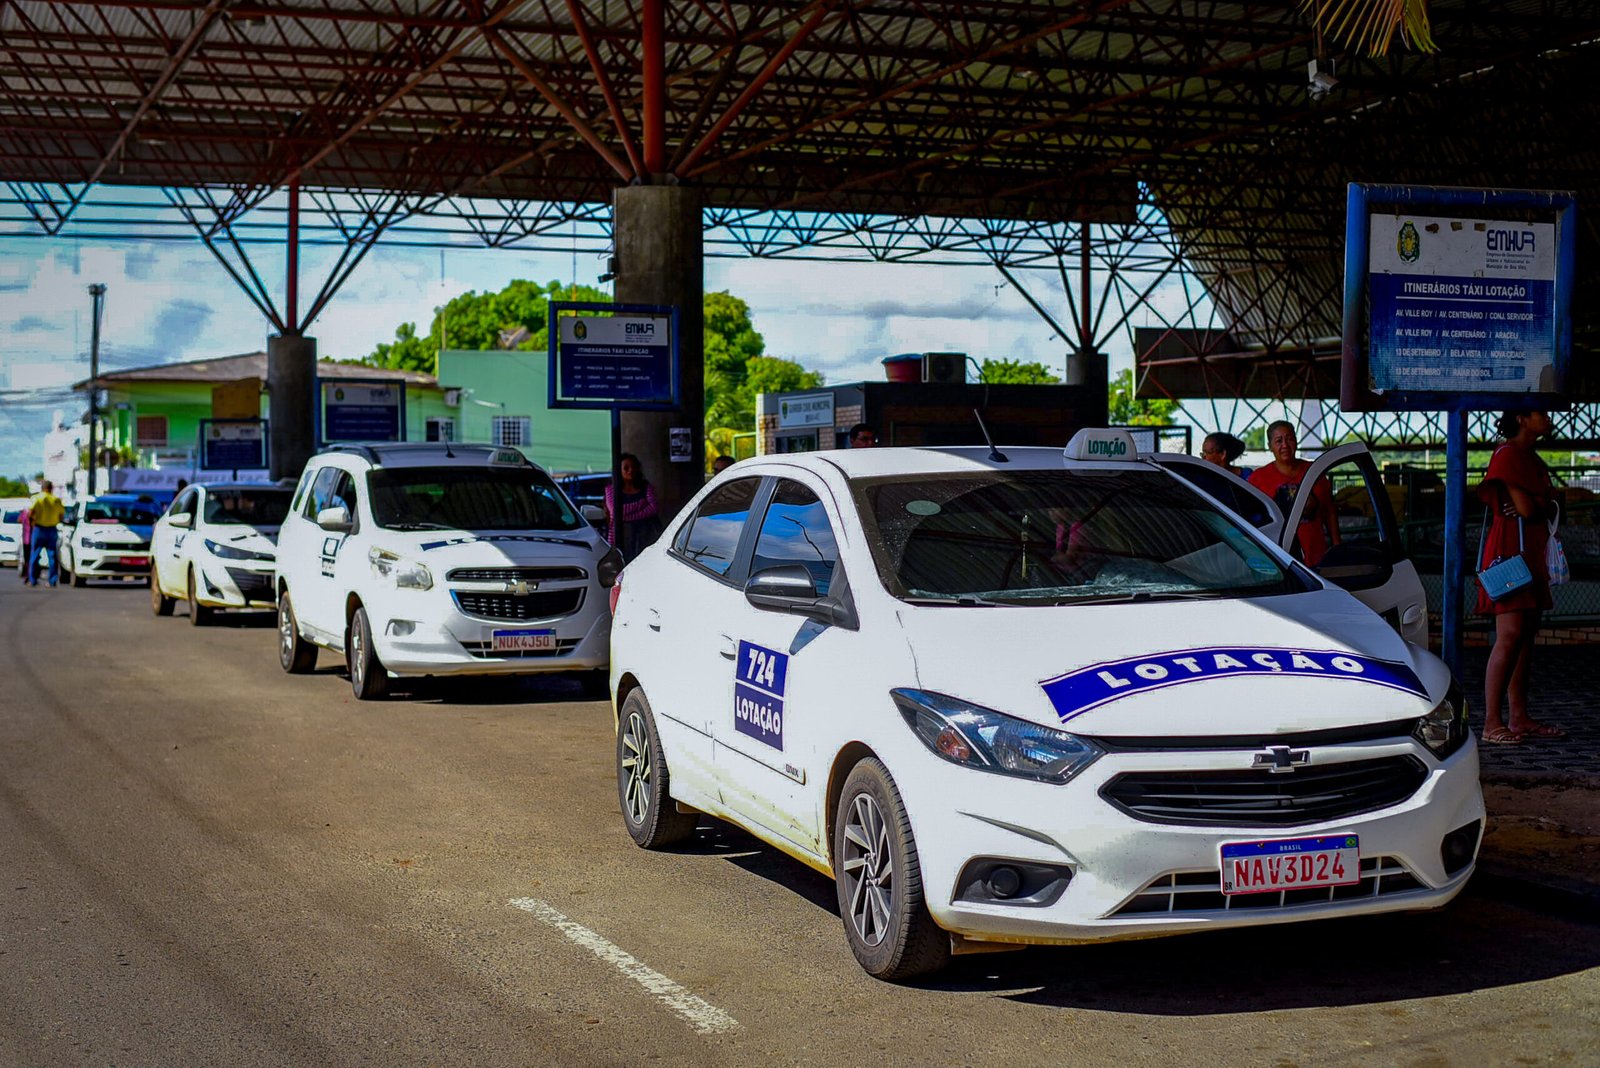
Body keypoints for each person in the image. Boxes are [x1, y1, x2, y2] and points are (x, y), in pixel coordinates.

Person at [1476, 409, 1564, 745]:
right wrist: (1545, 500)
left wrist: (1541, 501)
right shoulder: (1509, 455)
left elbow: (1537, 504)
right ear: (1523, 418)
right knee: (1511, 633)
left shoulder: (1528, 457)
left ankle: (1518, 716)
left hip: (1526, 548)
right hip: (1511, 550)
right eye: (1541, 413)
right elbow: (1528, 508)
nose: (1549, 418)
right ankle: (1492, 722)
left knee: (1524, 635)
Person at [1247, 420, 1339, 566]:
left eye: (1289, 439)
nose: (1285, 445)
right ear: (1270, 446)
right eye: (1278, 441)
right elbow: (1250, 519)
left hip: (1316, 555)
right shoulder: (1258, 478)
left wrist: (1337, 545)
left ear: (1296, 441)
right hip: (1278, 557)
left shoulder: (1314, 471)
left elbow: (1329, 511)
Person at [604, 453, 662, 561]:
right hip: (621, 538)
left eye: (633, 467)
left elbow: (654, 508)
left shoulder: (646, 487)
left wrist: (627, 516)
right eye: (626, 468)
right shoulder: (611, 490)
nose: (630, 470)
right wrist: (641, 504)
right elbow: (616, 512)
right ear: (619, 471)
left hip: (645, 536)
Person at [25, 479, 65, 587]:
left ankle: (32, 580)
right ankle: (52, 581)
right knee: (52, 556)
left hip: (39, 528)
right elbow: (61, 516)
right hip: (52, 529)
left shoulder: (36, 498)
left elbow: (30, 513)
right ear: (51, 488)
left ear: (42, 488)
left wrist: (32, 522)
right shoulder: (56, 500)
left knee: (34, 555)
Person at [17, 496, 33, 582]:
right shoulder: (33, 513)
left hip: (25, 538)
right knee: (32, 556)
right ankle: (30, 574)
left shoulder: (24, 512)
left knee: (27, 557)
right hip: (32, 537)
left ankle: (27, 573)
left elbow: (19, 520)